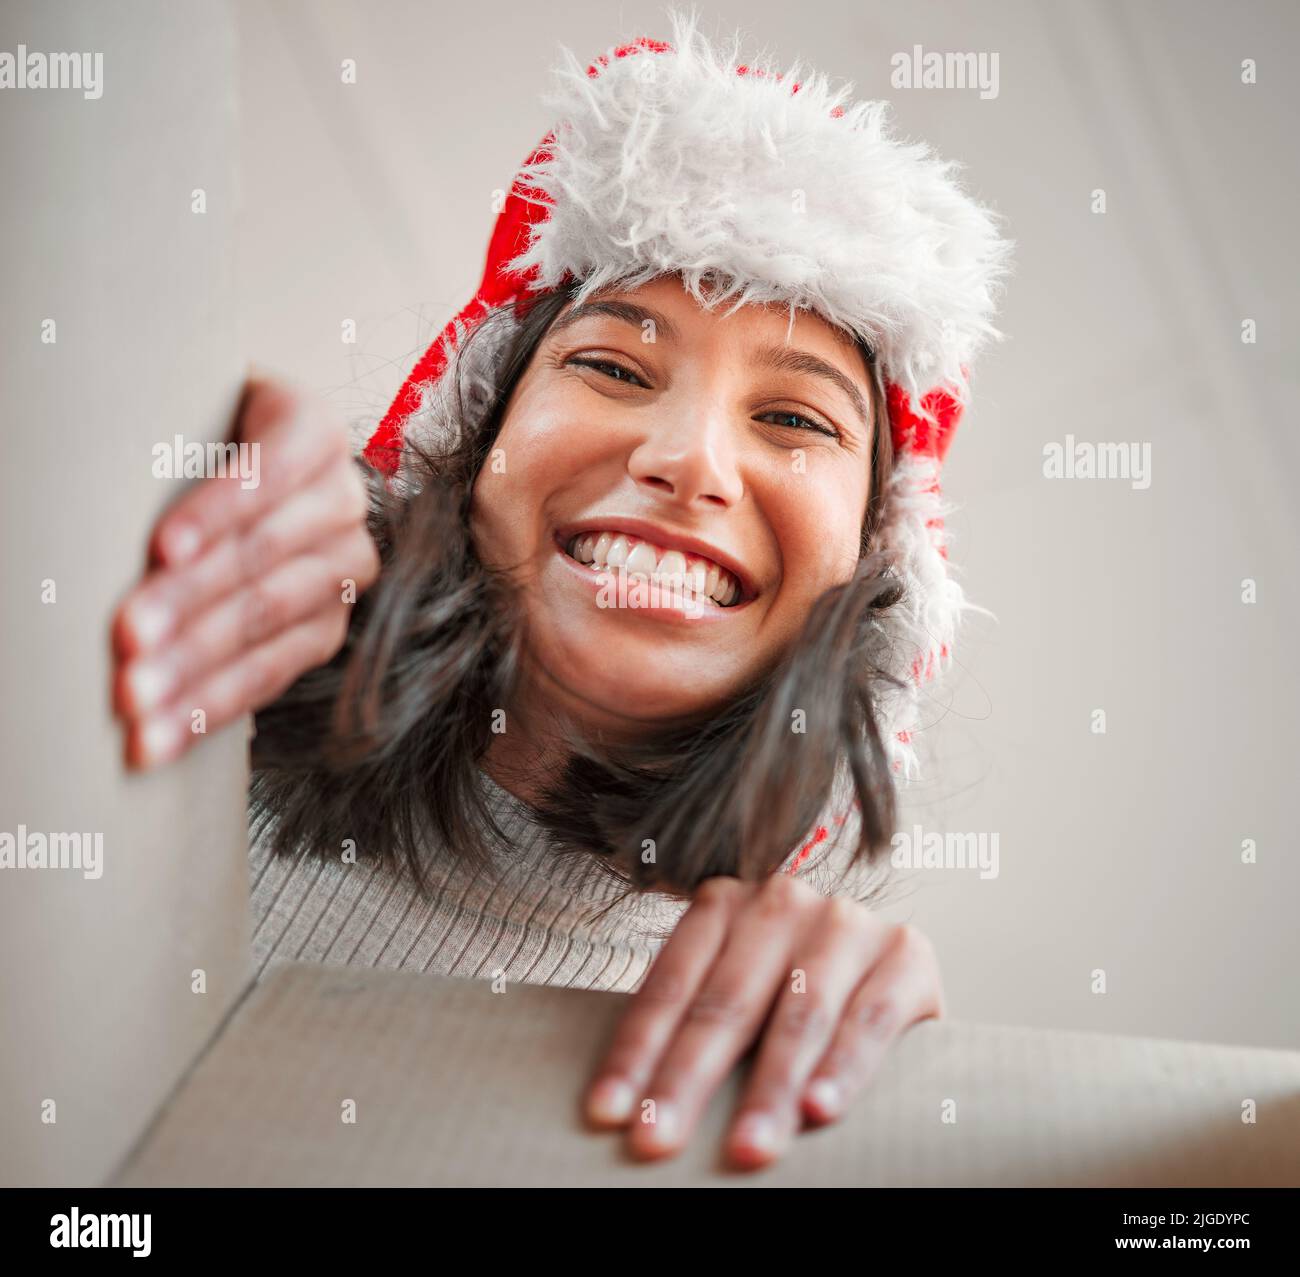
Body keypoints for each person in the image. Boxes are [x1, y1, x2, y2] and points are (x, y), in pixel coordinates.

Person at [110, 11, 1012, 1170]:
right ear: (469, 445)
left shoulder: (761, 1040)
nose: (689, 457)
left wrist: (888, 1123)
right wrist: (132, 469)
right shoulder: (194, 687)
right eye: (611, 364)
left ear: (869, 575)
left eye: (792, 418)